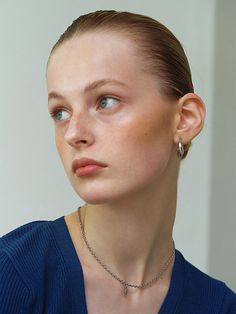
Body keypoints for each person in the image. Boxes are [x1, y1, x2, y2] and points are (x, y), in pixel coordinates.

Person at [0, 10, 235, 314]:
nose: (73, 133)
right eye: (61, 112)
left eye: (106, 101)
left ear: (185, 118)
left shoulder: (218, 307)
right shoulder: (13, 275)